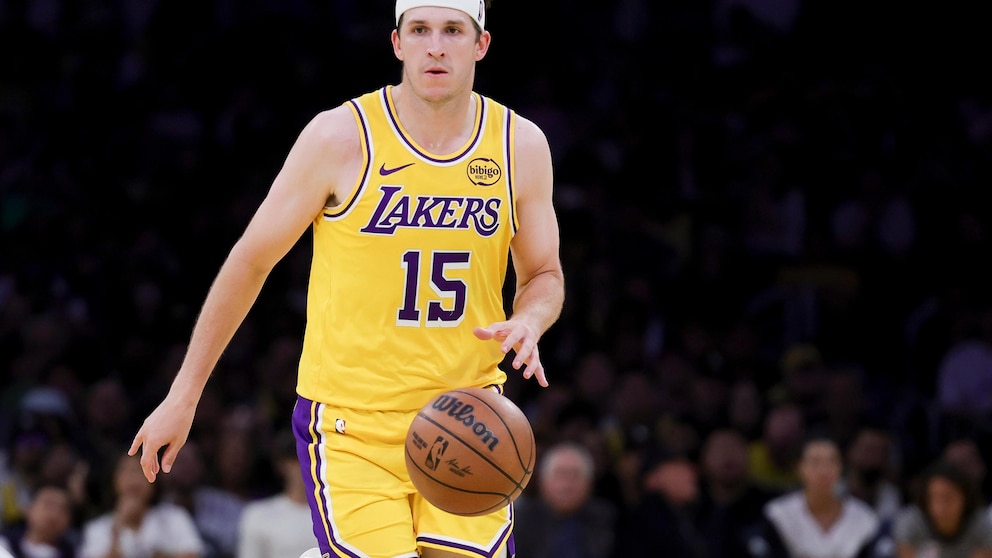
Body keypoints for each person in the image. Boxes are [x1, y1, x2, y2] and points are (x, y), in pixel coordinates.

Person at [128, 1, 565, 557]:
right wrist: (184, 395)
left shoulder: (519, 145)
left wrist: (530, 319)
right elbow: (250, 261)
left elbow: (544, 274)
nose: (435, 46)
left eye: (453, 30)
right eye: (420, 30)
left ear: (481, 45)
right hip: (352, 427)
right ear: (397, 43)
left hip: (468, 418)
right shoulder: (339, 137)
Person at [747, 437, 882, 558]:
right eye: (815, 462)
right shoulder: (779, 514)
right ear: (799, 468)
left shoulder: (863, 517)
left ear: (841, 468)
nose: (824, 470)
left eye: (831, 461)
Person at [79, 454, 204, 558]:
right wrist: (118, 529)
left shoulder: (175, 517)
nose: (133, 477)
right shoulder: (97, 528)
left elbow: (192, 554)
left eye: (140, 470)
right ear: (113, 480)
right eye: (126, 470)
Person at [512, 441, 617, 558]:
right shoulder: (520, 521)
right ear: (542, 482)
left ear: (590, 483)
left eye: (575, 475)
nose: (567, 485)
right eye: (560, 475)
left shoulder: (607, 519)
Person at [236, 430, 317, 558]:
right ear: (282, 464)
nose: (305, 466)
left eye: (312, 459)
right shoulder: (258, 515)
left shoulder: (337, 515)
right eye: (296, 459)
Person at [893, 460, 992, 558]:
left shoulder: (982, 525)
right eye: (933, 498)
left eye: (948, 498)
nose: (940, 508)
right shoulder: (910, 523)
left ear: (965, 498)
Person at [0, 483, 77, 558]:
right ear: (29, 508)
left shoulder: (75, 554)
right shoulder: (4, 545)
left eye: (62, 509)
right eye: (48, 504)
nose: (54, 513)